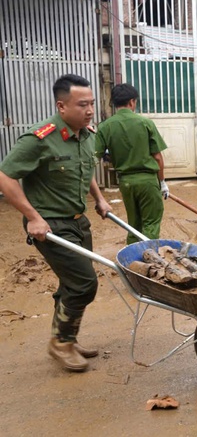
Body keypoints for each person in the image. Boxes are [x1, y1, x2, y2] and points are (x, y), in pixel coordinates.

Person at [0, 74, 112, 372]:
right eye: (82, 105)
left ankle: (66, 337)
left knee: (71, 283)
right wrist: (33, 218)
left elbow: (83, 169)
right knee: (84, 284)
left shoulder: (85, 135)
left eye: (91, 104)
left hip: (78, 222)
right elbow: (5, 176)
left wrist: (99, 198)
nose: (89, 110)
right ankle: (60, 344)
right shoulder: (40, 138)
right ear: (61, 106)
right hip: (49, 225)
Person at [96, 84, 169, 244]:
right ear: (132, 102)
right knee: (151, 222)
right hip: (148, 181)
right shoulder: (145, 123)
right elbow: (157, 157)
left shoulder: (104, 127)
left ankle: (131, 259)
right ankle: (149, 259)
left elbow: (96, 156)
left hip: (126, 183)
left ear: (114, 103)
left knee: (134, 223)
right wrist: (162, 182)